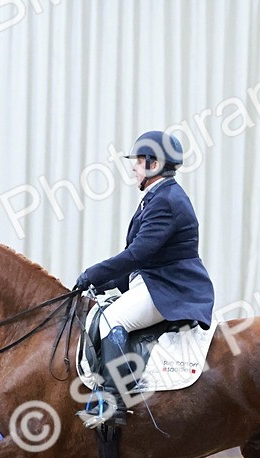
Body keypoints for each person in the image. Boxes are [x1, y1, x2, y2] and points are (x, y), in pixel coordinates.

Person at [74, 130, 215, 427]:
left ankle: (113, 402)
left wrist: (93, 273)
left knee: (113, 320)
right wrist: (101, 284)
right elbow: (144, 257)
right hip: (157, 281)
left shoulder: (166, 200)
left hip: (172, 288)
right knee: (103, 313)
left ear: (153, 164)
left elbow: (138, 254)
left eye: (138, 162)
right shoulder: (158, 197)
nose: (133, 168)